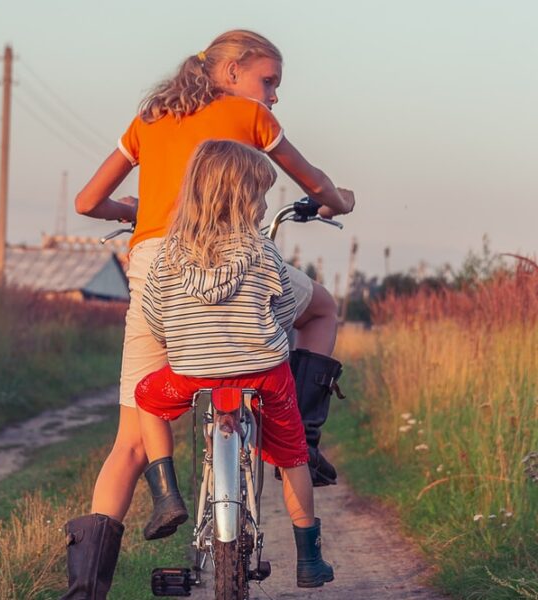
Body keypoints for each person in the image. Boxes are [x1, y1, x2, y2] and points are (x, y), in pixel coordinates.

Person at [62, 29, 353, 599]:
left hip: (157, 267)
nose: (272, 95)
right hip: (237, 258)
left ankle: (85, 592)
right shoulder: (251, 117)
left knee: (129, 442)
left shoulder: (149, 117)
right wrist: (339, 200)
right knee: (321, 309)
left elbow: (87, 202)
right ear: (232, 71)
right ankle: (302, 439)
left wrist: (136, 209)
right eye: (268, 81)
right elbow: (315, 183)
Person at [134, 139, 334, 587]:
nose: (264, 206)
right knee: (293, 453)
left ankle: (166, 495)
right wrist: (266, 334)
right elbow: (282, 307)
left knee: (146, 399)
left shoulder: (169, 254)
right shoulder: (263, 251)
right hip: (264, 373)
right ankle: (308, 558)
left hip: (191, 372)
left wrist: (181, 341)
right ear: (242, 199)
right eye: (260, 196)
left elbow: (154, 314)